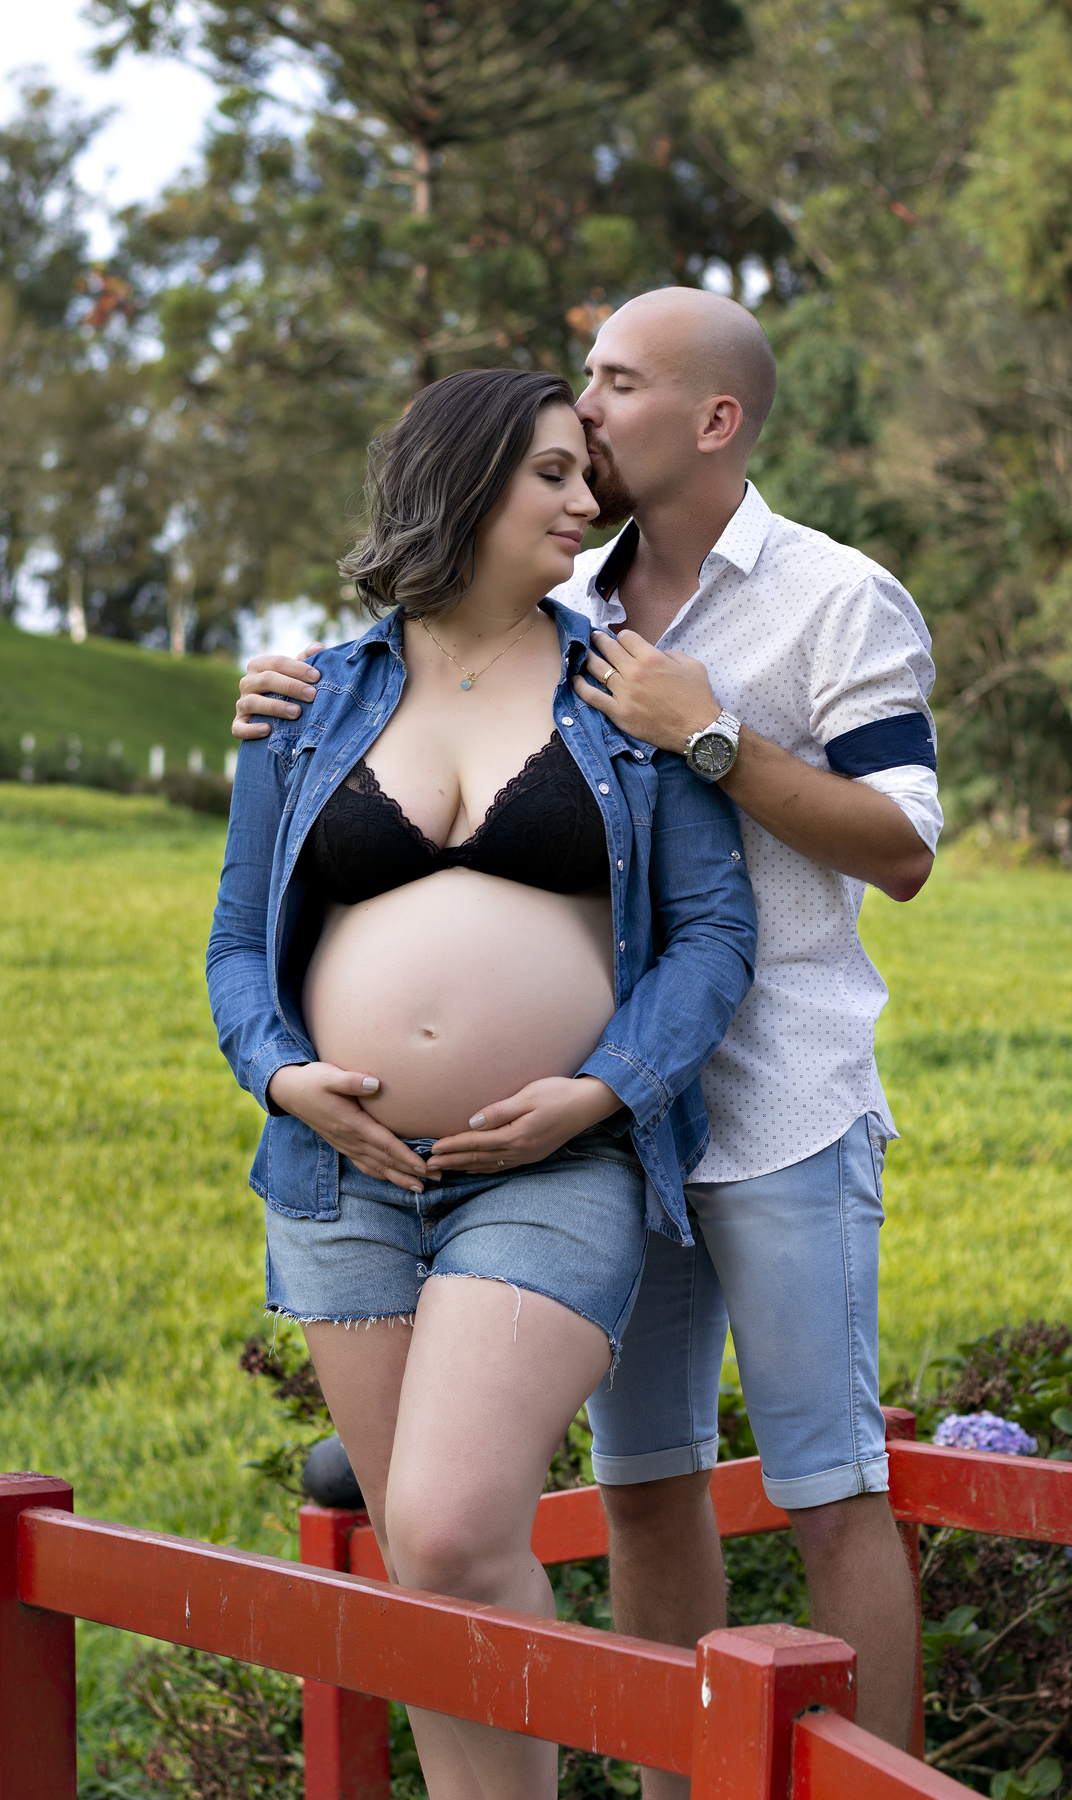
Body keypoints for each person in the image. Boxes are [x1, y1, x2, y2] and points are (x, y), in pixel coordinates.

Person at [233, 288, 942, 1784]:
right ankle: (675, 1778)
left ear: (713, 418)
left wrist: (710, 734)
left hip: (761, 1100)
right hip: (541, 1140)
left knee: (828, 1481)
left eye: (614, 389)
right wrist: (283, 1061)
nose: (592, 424)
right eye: (566, 424)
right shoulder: (553, 615)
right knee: (643, 1484)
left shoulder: (813, 605)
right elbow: (259, 913)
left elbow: (893, 852)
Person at [207, 365, 757, 1800]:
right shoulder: (314, 698)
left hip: (556, 1163)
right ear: (460, 485)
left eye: (590, 472)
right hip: (345, 1180)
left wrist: (605, 1091)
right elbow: (233, 948)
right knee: (423, 1566)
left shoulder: (620, 687)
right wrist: (283, 1081)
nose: (591, 500)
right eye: (555, 473)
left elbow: (712, 936)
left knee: (448, 1530)